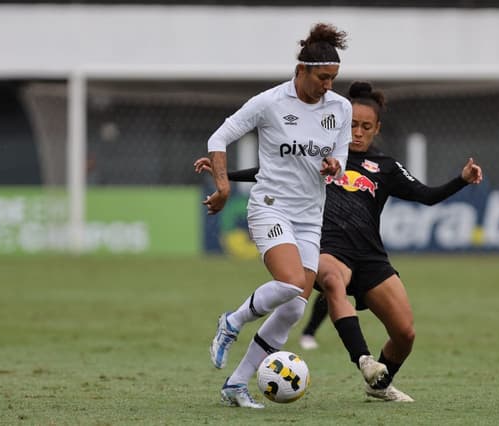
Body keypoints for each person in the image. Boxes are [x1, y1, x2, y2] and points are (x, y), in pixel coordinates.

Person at [197, 81, 483, 403]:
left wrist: (462, 180)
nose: (357, 133)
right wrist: (226, 174)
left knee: (405, 333)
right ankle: (363, 361)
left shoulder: (385, 167)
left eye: (365, 127)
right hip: (324, 246)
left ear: (376, 129)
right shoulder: (322, 152)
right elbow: (272, 169)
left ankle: (378, 385)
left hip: (370, 256)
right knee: (331, 281)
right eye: (353, 126)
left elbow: (427, 196)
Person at [195, 23, 351, 409]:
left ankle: (236, 384)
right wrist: (224, 187)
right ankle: (230, 322)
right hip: (270, 206)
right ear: (301, 70)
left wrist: (335, 165)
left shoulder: (341, 108)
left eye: (333, 78)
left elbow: (342, 157)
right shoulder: (269, 102)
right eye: (322, 77)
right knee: (292, 281)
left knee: (295, 305)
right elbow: (219, 138)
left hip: (310, 216)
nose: (328, 85)